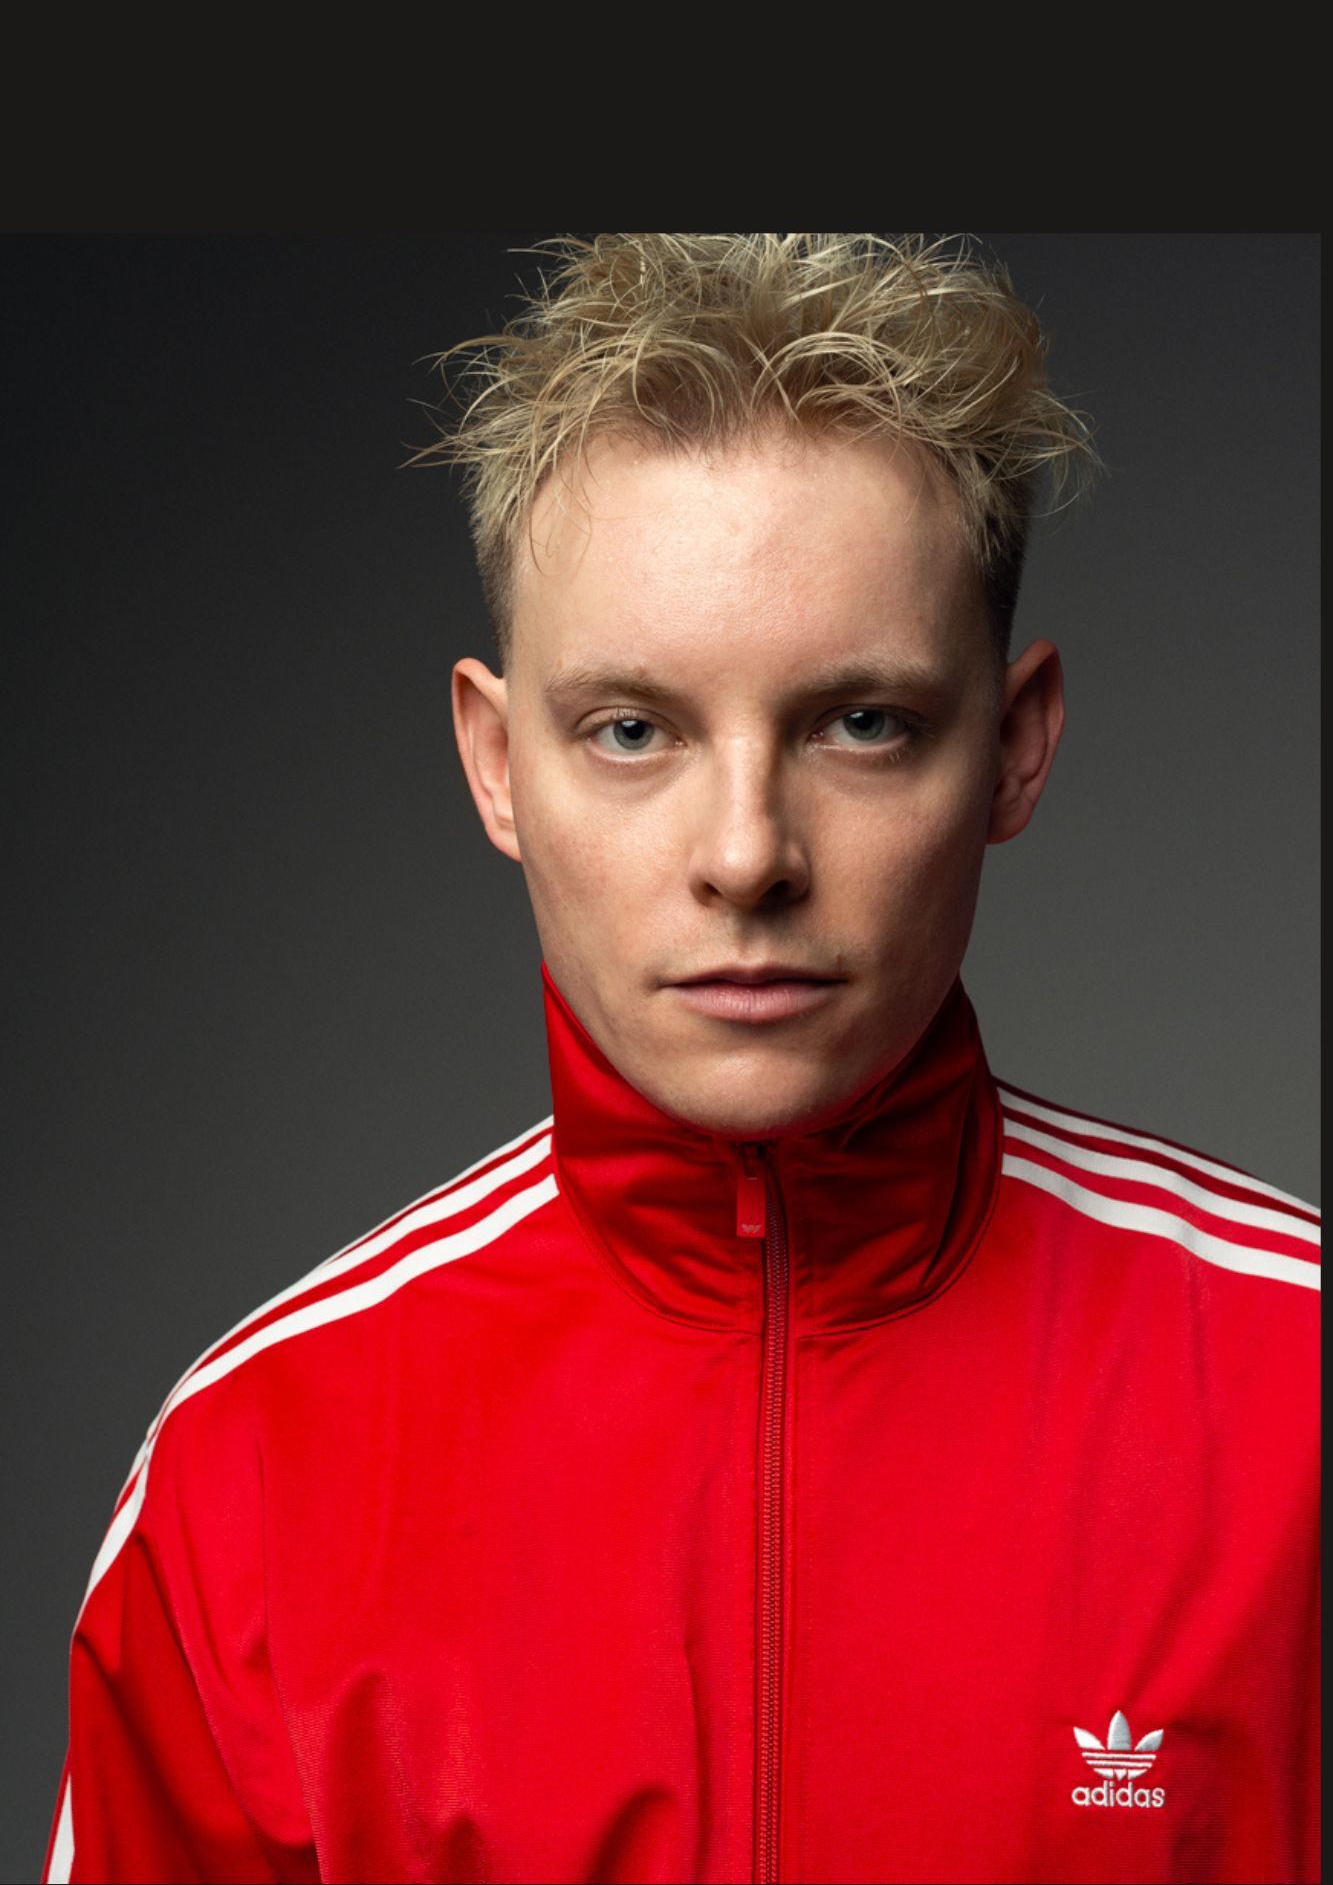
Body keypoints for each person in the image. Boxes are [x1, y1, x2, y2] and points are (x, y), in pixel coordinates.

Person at [42, 234, 1318, 1885]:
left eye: (860, 723)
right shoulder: (254, 1468)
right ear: (496, 764)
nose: (743, 856)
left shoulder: (1297, 1394)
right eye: (632, 731)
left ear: (1013, 747)